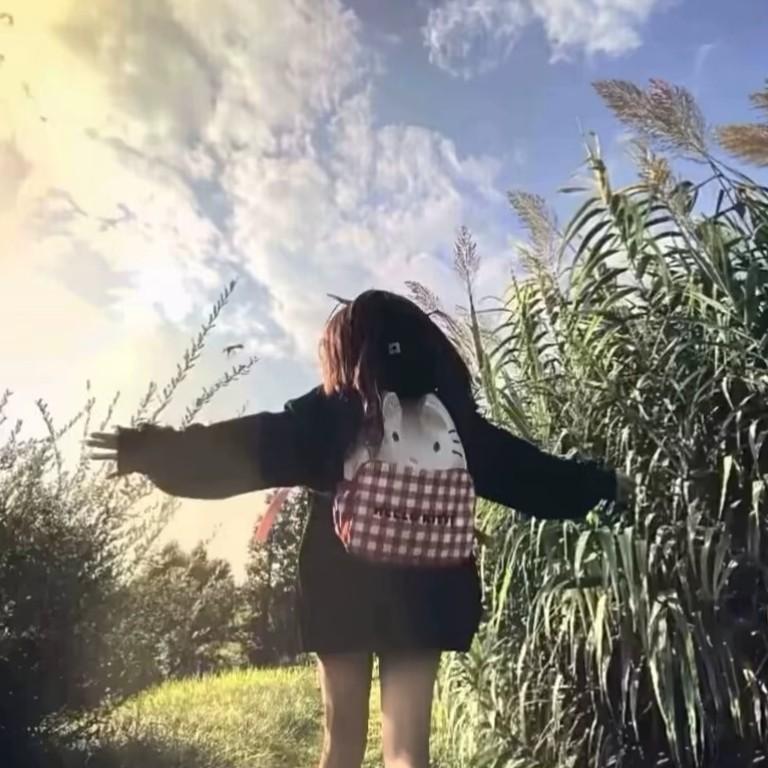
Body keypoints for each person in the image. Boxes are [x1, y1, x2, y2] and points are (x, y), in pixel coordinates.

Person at [86, 289, 633, 768]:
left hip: (339, 587)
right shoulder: (449, 419)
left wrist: (152, 449)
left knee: (341, 747)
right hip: (427, 589)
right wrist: (604, 484)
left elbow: (249, 449)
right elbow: (527, 473)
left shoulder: (336, 411)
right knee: (408, 752)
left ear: (348, 348)